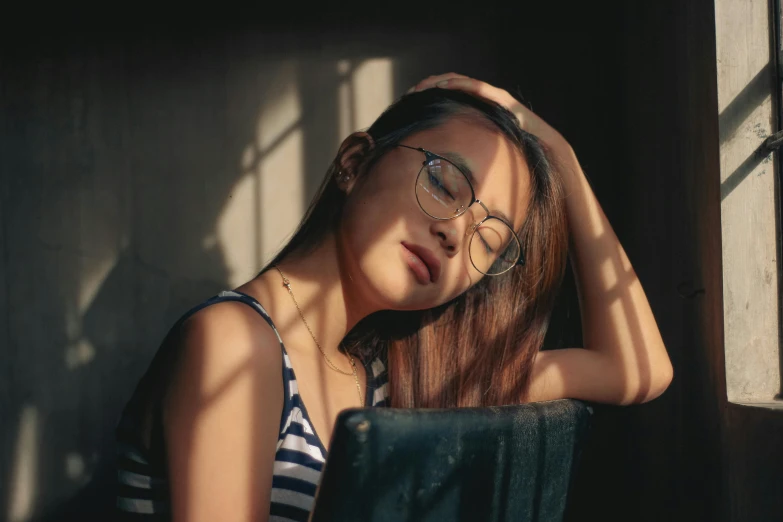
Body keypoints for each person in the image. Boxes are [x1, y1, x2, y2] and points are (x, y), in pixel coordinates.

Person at [113, 74, 673, 522]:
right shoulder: (234, 343)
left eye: (489, 239)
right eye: (443, 183)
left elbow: (637, 370)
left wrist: (559, 153)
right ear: (354, 163)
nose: (456, 235)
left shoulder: (400, 376)